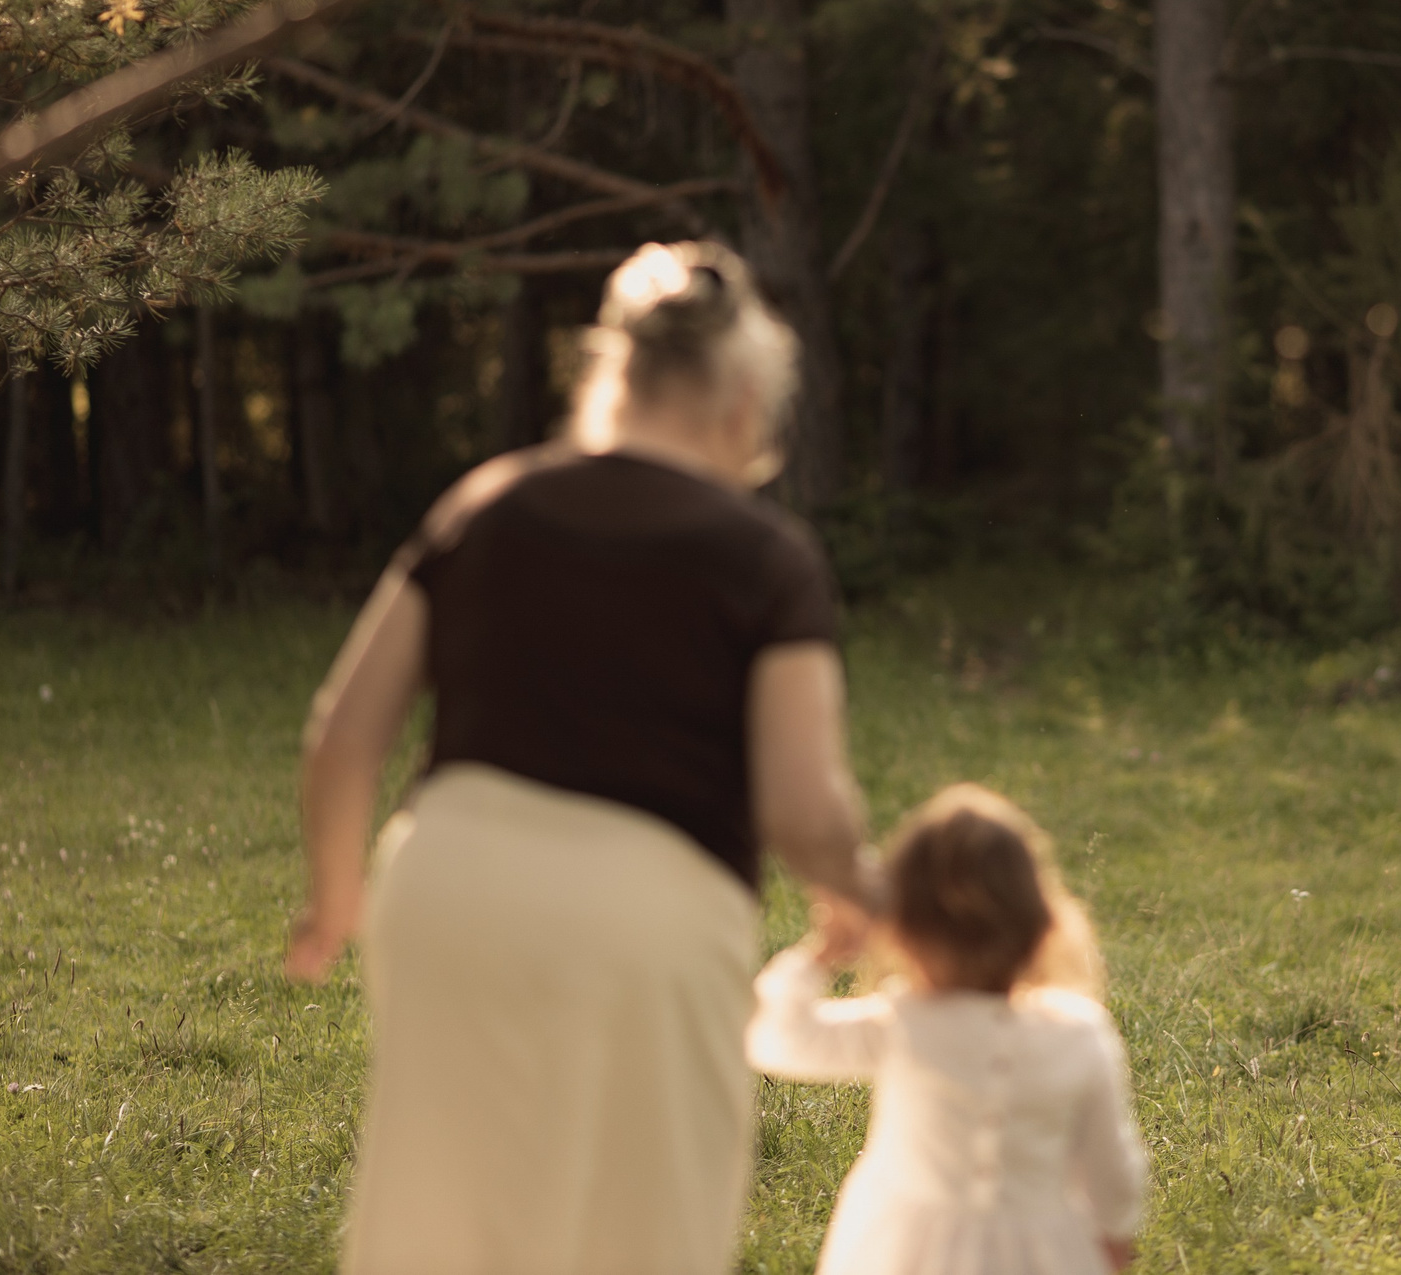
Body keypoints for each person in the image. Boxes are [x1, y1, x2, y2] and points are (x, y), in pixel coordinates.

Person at [284, 241, 881, 1275]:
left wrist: (335, 903)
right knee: (639, 1235)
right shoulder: (766, 559)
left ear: (611, 373)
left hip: (449, 896)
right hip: (647, 925)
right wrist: (858, 889)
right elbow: (801, 804)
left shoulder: (486, 503)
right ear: (743, 402)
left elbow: (341, 734)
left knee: (441, 1227)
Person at [748, 784, 1148, 1275]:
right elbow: (1112, 1165)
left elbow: (775, 1038)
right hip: (1042, 1252)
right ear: (1040, 925)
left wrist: (821, 953)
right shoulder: (1081, 1033)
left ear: (900, 930)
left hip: (904, 1251)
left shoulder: (903, 1024)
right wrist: (1113, 1243)